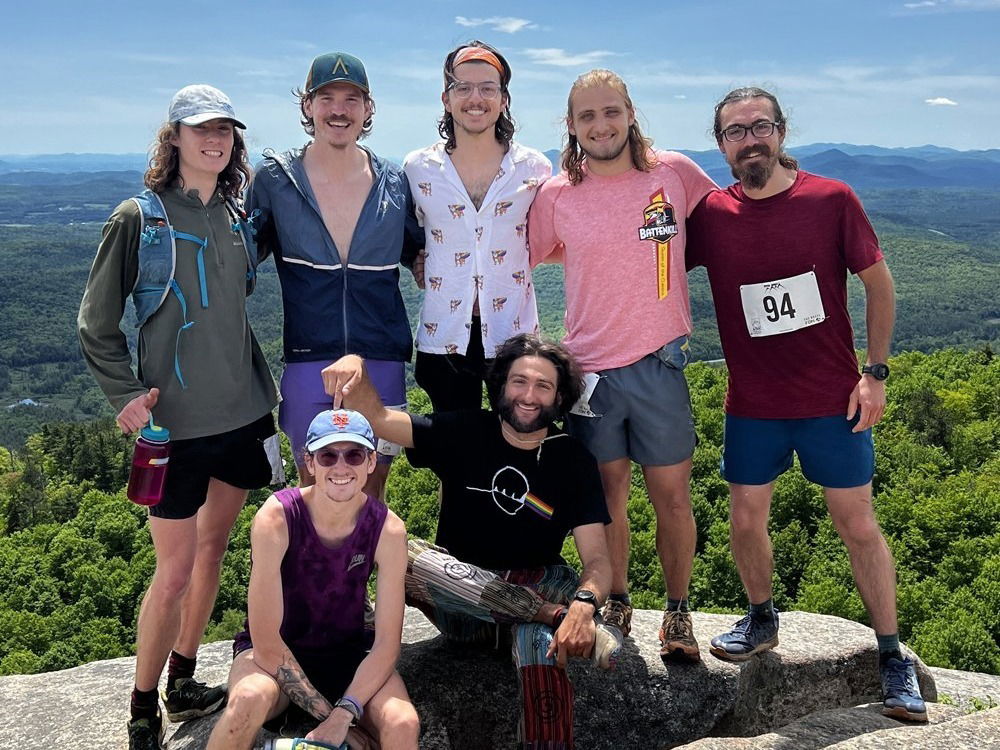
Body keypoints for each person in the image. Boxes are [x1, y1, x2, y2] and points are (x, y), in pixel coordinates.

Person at [685, 86, 926, 722]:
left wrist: (874, 373)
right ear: (721, 146)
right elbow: (649, 264)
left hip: (829, 398)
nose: (749, 139)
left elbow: (879, 284)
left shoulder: (831, 198)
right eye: (735, 132)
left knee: (858, 525)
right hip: (753, 402)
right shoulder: (712, 214)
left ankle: (892, 652)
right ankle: (763, 618)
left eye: (759, 126)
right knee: (744, 517)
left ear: (781, 131)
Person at [77, 84, 280, 750]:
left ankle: (184, 677)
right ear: (173, 138)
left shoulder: (232, 212)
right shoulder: (139, 218)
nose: (214, 140)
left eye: (224, 130)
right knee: (175, 570)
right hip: (176, 428)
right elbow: (95, 323)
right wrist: (122, 395)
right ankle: (142, 704)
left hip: (243, 411)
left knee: (215, 548)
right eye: (201, 130)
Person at [323, 335, 621, 750]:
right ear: (500, 386)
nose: (528, 396)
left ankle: (542, 633)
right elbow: (377, 419)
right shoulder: (464, 429)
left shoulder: (573, 460)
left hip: (537, 580)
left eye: (543, 386)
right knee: (405, 554)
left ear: (560, 397)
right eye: (519, 382)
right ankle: (546, 614)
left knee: (538, 644)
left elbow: (598, 561)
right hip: (460, 604)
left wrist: (585, 606)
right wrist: (355, 362)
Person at [528, 70, 716, 661]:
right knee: (607, 498)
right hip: (591, 376)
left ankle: (679, 612)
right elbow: (516, 262)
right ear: (571, 125)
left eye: (610, 112)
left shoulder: (676, 174)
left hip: (660, 365)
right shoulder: (556, 195)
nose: (600, 125)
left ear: (630, 113)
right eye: (587, 116)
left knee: (673, 497)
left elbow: (729, 230)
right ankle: (617, 600)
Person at [250, 51, 423, 498]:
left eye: (352, 98)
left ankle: (364, 569)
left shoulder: (394, 182)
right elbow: (239, 260)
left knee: (370, 490)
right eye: (326, 97)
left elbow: (421, 253)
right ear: (307, 107)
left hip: (380, 358)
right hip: (309, 358)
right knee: (314, 491)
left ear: (368, 109)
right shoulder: (275, 179)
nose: (339, 109)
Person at [206, 409, 417, 749]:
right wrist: (332, 718)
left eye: (354, 454)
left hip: (349, 653)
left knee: (403, 723)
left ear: (370, 462)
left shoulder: (387, 529)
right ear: (310, 462)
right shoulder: (277, 517)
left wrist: (346, 711)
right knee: (245, 703)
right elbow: (266, 641)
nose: (341, 466)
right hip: (273, 656)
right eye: (328, 455)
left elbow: (386, 644)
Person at [404, 41, 551, 412]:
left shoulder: (534, 169)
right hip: (444, 334)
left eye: (488, 88)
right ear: (446, 97)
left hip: (514, 332)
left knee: (520, 442)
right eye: (463, 87)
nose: (475, 98)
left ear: (504, 99)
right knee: (454, 453)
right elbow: (402, 229)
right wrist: (414, 259)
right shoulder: (417, 168)